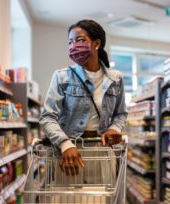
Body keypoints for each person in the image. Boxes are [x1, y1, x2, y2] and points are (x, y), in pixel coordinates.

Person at [39, 19, 127, 178]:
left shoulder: (116, 79)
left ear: (97, 43)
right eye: (70, 42)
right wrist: (65, 145)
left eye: (80, 40)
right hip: (69, 154)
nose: (74, 46)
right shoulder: (62, 77)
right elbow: (47, 117)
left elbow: (120, 114)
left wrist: (115, 128)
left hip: (102, 154)